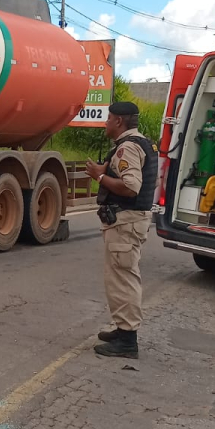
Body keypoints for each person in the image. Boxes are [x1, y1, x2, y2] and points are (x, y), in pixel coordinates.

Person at [84, 100, 158, 358]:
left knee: (123, 280)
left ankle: (127, 340)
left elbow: (130, 187)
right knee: (120, 277)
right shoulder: (141, 143)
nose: (105, 122)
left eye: (108, 118)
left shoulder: (127, 148)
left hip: (126, 222)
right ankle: (122, 329)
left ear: (119, 121)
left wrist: (100, 177)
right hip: (130, 222)